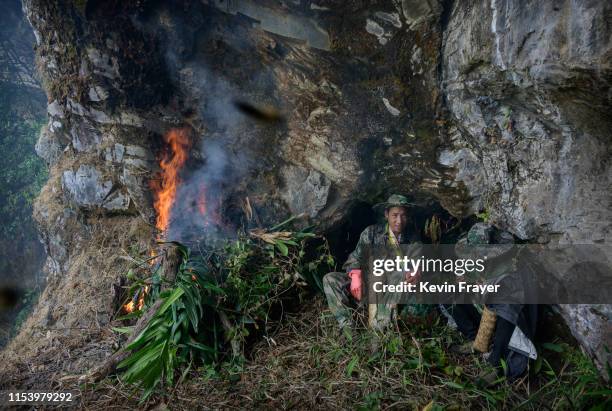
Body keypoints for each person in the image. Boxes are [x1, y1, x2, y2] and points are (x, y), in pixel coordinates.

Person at [443, 223, 537, 386]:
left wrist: (487, 289)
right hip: (483, 312)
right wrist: (465, 282)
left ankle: (495, 362)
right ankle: (475, 339)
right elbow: (468, 277)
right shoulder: (471, 259)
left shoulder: (511, 266)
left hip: (508, 321)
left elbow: (512, 300)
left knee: (505, 305)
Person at [322, 194, 429, 332]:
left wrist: (415, 273)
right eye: (395, 215)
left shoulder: (412, 238)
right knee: (330, 279)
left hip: (392, 287)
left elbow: (417, 262)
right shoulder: (371, 233)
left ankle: (379, 329)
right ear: (386, 215)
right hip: (367, 285)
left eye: (403, 216)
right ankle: (348, 329)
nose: (399, 221)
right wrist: (355, 275)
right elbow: (355, 258)